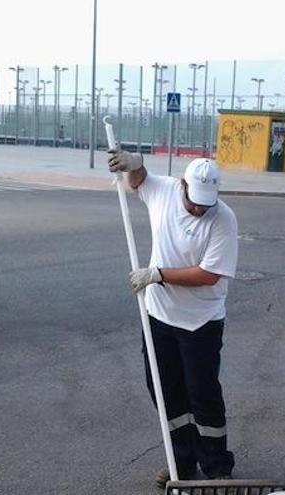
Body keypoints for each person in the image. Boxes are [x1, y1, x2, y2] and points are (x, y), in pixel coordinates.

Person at [107, 150, 239, 489]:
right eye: (195, 203)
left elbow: (209, 275)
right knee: (165, 392)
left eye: (206, 205)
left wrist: (158, 274)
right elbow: (139, 182)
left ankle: (216, 466)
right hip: (159, 316)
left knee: (203, 394)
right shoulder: (164, 191)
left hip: (201, 322)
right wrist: (134, 163)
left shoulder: (223, 218)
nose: (199, 210)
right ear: (182, 185)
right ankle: (181, 463)